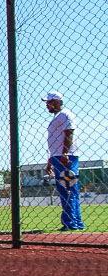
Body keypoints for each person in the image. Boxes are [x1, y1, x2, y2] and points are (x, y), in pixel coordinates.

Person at [42, 92, 85, 231]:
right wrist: (50, 160)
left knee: (67, 188)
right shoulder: (58, 117)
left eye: (49, 102)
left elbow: (69, 132)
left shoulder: (65, 115)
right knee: (67, 188)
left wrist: (65, 153)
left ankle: (71, 222)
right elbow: (56, 140)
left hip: (65, 156)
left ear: (57, 102)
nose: (47, 105)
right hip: (58, 156)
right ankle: (75, 222)